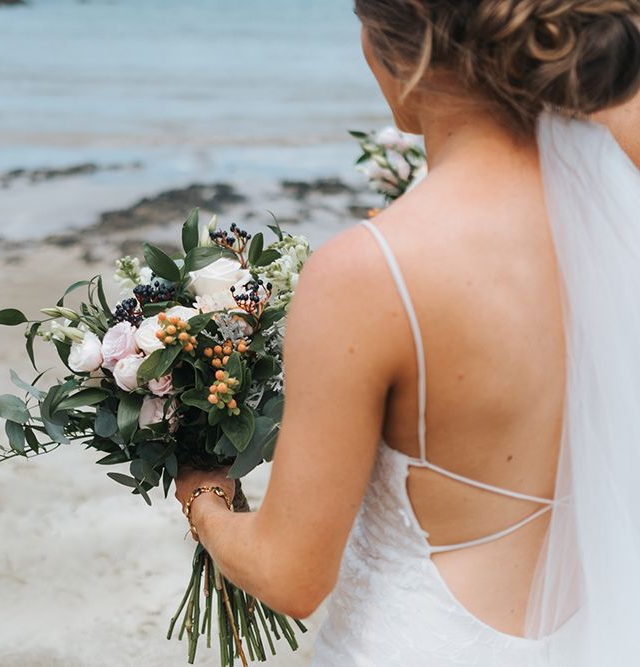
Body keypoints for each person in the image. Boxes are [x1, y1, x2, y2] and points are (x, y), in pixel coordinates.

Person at [176, 2, 640, 664]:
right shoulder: (617, 218)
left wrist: (201, 492)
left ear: (396, 53)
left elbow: (291, 576)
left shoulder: (369, 274)